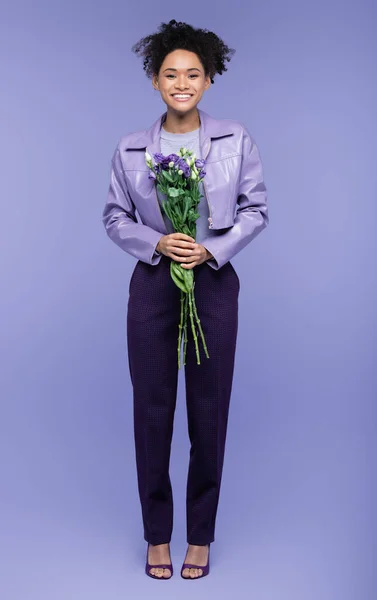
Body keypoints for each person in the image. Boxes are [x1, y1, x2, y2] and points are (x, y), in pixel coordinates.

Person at [102, 19, 268, 580]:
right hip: (153, 283)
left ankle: (199, 535)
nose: (181, 82)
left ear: (209, 79)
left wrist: (212, 250)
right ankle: (156, 534)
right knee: (151, 412)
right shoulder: (130, 149)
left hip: (214, 281)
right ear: (155, 81)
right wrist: (156, 242)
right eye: (170, 74)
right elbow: (114, 217)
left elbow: (256, 210)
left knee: (208, 412)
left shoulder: (233, 138)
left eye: (192, 73)